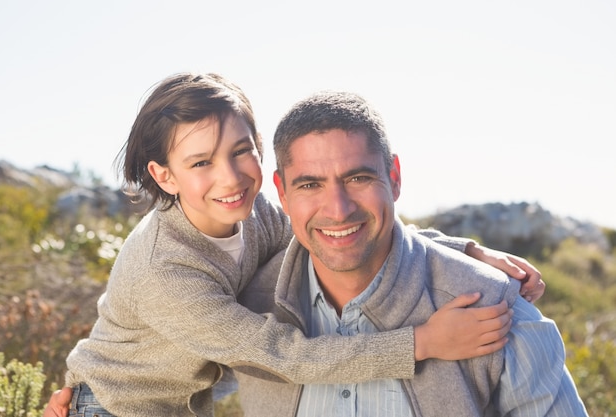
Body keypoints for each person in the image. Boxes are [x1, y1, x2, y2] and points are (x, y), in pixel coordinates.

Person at [43, 73, 544, 417]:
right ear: (163, 176)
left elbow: (340, 229)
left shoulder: (254, 213)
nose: (231, 177)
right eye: (200, 163)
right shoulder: (166, 271)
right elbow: (282, 356)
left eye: (241, 152)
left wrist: (465, 251)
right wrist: (423, 344)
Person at [232, 90, 588, 416]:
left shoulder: (498, 311)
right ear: (282, 193)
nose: (338, 210)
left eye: (358, 179)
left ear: (395, 178)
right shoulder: (245, 306)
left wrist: (463, 254)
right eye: (310, 184)